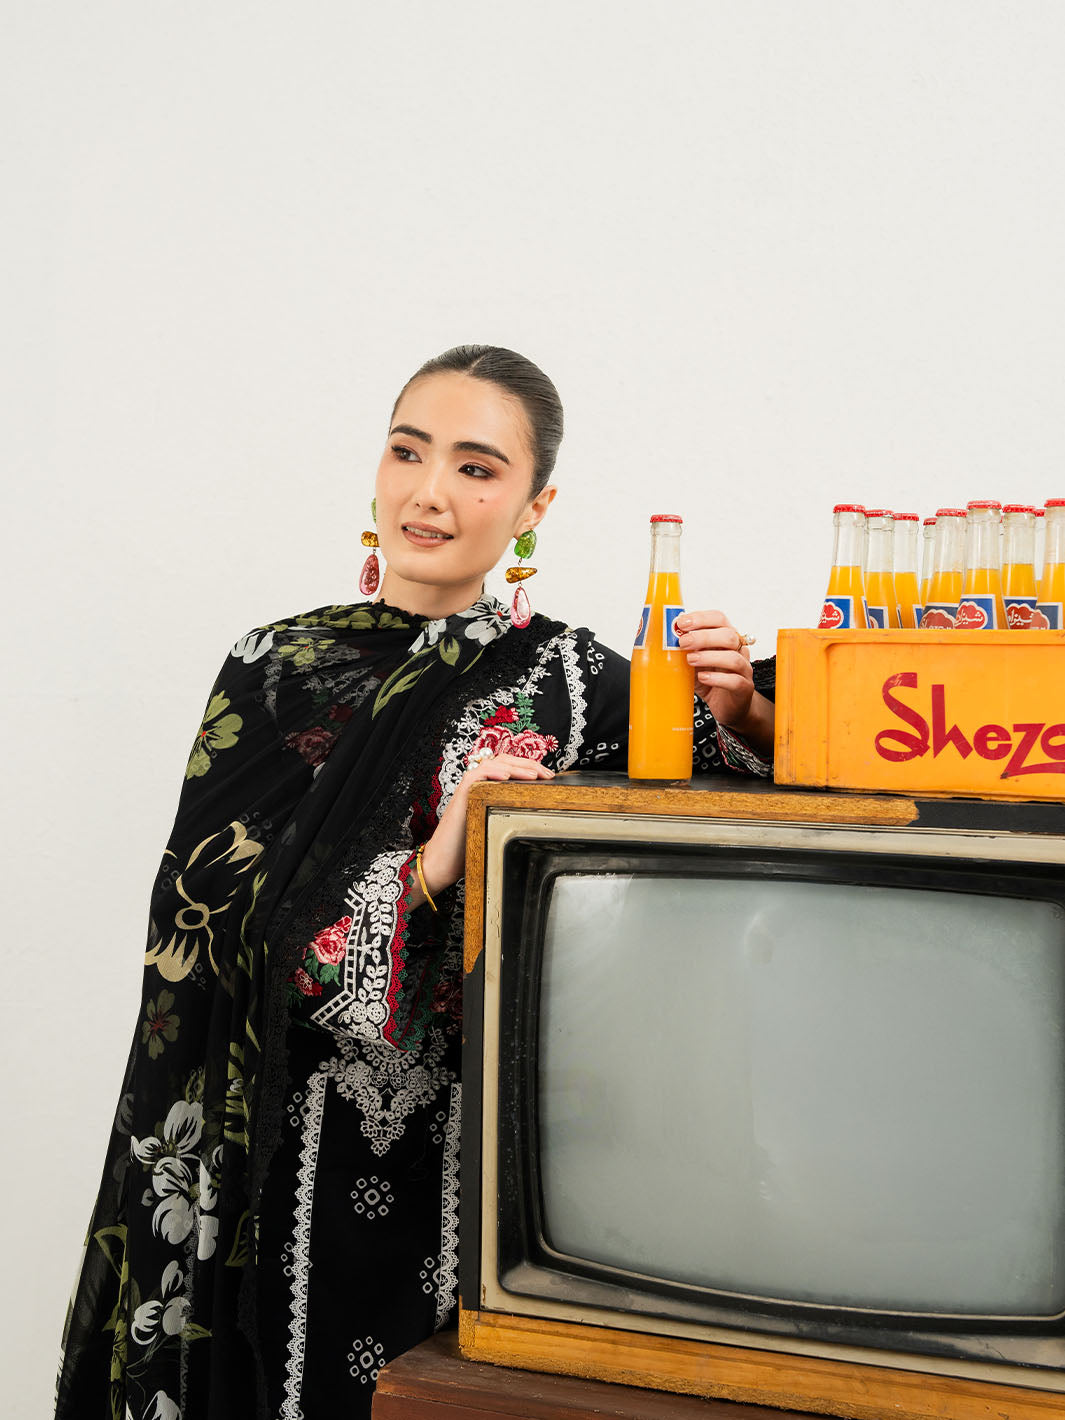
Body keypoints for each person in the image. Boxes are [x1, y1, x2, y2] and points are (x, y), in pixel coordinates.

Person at [55, 345, 776, 1420]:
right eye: (408, 452)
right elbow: (203, 921)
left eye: (476, 468)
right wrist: (436, 861)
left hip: (475, 1168)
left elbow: (743, 843)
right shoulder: (276, 665)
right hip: (268, 1149)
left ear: (534, 507)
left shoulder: (578, 683)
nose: (429, 492)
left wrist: (741, 711)